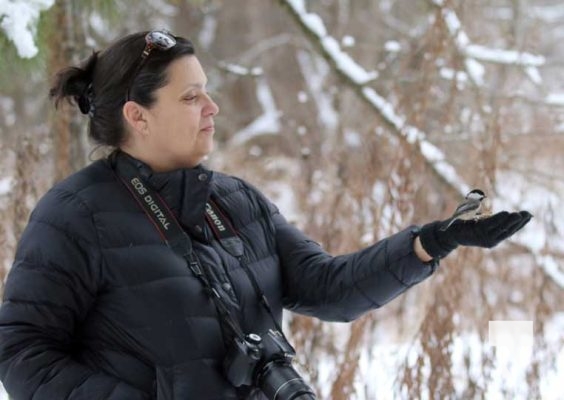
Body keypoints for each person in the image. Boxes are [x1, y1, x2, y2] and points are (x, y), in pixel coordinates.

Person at [0, 30, 532, 400]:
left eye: (207, 92)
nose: (212, 108)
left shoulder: (234, 201)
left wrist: (430, 242)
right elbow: (22, 353)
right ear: (137, 116)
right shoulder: (73, 215)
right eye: (191, 97)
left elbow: (327, 288)